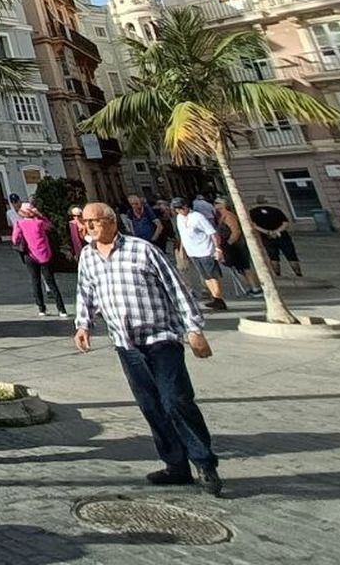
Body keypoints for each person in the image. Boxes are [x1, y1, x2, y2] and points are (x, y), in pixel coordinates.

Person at [73, 202, 221, 496]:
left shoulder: (143, 250)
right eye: (84, 222)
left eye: (93, 221)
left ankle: (205, 464)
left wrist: (194, 329)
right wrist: (83, 324)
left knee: (177, 401)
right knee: (151, 407)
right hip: (126, 345)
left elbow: (176, 288)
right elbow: (85, 291)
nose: (86, 226)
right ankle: (176, 465)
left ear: (111, 221)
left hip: (161, 338)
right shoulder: (87, 257)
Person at [10, 203, 67, 316]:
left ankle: (41, 308)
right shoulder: (40, 223)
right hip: (45, 255)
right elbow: (50, 226)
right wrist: (40, 215)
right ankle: (61, 309)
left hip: (30, 256)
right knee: (51, 282)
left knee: (35, 281)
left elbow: (14, 239)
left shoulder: (20, 224)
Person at [172, 198, 226, 311]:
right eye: (177, 209)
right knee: (205, 276)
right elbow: (182, 235)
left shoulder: (197, 217)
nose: (180, 211)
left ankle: (219, 298)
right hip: (193, 252)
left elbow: (213, 233)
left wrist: (218, 249)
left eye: (181, 208)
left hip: (205, 250)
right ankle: (215, 297)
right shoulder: (179, 218)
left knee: (212, 275)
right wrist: (182, 250)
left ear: (186, 206)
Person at [213, 199, 259, 295]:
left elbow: (236, 231)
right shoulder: (221, 216)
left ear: (224, 205)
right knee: (241, 268)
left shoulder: (228, 216)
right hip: (230, 245)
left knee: (245, 266)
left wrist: (229, 243)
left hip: (236, 245)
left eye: (217, 203)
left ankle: (255, 287)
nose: (215, 205)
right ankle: (252, 286)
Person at [249, 198, 303, 277]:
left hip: (267, 237)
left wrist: (267, 232)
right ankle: (298, 274)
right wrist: (277, 231)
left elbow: (254, 226)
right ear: (267, 201)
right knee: (291, 257)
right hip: (282, 236)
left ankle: (278, 275)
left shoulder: (252, 212)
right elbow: (285, 223)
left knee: (273, 257)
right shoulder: (276, 210)